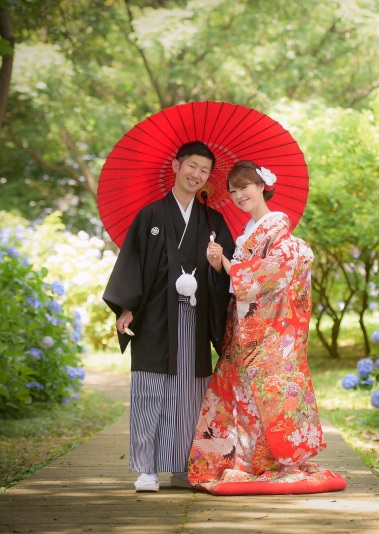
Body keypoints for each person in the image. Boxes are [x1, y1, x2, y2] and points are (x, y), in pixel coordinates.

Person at [186, 160, 346, 495]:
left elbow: (269, 276)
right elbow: (238, 287)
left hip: (271, 333)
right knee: (238, 396)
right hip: (245, 332)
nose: (238, 195)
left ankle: (265, 462)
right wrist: (219, 266)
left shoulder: (281, 235)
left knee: (265, 398)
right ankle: (242, 461)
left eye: (244, 186)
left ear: (261, 186)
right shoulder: (247, 235)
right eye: (232, 190)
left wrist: (228, 265)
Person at [102, 141, 235, 492]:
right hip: (156, 316)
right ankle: (147, 468)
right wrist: (126, 307)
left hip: (195, 317)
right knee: (150, 389)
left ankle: (182, 467)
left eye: (204, 170)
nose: (197, 174)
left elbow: (231, 273)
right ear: (176, 166)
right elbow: (132, 262)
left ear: (209, 177)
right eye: (192, 165)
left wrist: (217, 263)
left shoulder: (213, 221)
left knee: (190, 394)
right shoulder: (150, 216)